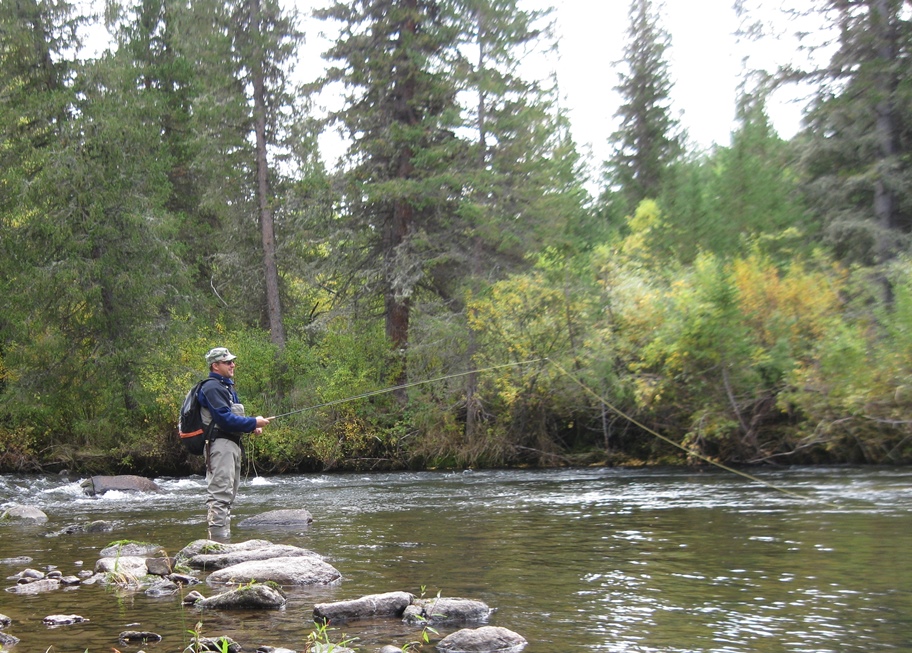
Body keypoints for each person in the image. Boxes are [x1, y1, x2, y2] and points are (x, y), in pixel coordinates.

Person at [199, 347, 271, 540]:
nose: (233, 365)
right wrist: (253, 422)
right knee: (220, 494)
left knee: (229, 495)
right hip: (220, 446)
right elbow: (224, 419)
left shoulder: (225, 387)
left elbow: (230, 417)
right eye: (227, 362)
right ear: (215, 365)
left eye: (232, 361)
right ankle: (217, 542)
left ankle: (223, 539)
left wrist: (251, 426)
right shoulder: (212, 387)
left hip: (231, 445)